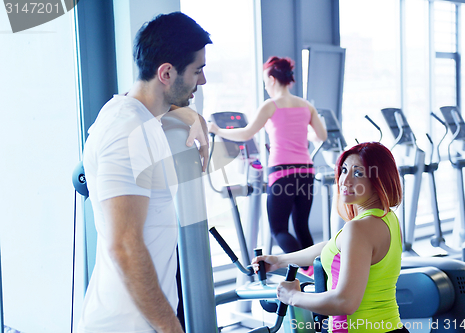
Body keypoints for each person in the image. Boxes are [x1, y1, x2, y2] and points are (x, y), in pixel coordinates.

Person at [78, 12, 211, 333]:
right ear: (166, 72)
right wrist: (171, 328)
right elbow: (124, 245)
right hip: (126, 325)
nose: (202, 81)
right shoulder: (127, 131)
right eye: (197, 71)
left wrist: (193, 116)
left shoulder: (137, 116)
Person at [253, 142, 410, 333]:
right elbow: (333, 247)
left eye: (358, 173)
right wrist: (279, 260)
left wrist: (292, 296)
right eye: (344, 170)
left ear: (378, 180)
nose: (345, 180)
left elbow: (345, 302)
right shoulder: (387, 218)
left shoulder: (358, 228)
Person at [209, 56, 327, 265]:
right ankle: (318, 271)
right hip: (306, 171)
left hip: (282, 172)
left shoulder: (270, 105)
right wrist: (302, 133)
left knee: (278, 229)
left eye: (265, 80)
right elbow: (321, 136)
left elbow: (246, 134)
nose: (265, 85)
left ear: (272, 79)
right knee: (301, 226)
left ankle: (306, 268)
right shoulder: (306, 105)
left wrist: (217, 130)